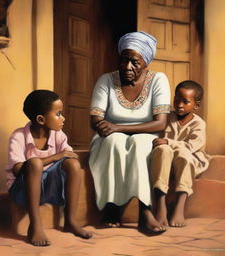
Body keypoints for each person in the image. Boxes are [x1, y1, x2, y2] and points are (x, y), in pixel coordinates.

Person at [89, 31, 171, 235]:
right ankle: (112, 206)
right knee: (114, 142)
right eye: (123, 60)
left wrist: (118, 127)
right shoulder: (106, 80)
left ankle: (145, 210)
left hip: (145, 134)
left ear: (145, 62)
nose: (127, 67)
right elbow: (96, 119)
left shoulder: (158, 80)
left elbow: (160, 124)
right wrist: (107, 127)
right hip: (109, 137)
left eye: (134, 62)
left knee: (140, 144)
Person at [5, 90, 92, 246]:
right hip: (23, 190)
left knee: (73, 164)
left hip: (49, 188)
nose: (63, 118)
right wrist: (54, 157)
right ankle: (35, 225)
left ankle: (70, 220)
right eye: (58, 114)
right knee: (34, 163)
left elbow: (71, 156)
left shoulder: (59, 135)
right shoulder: (19, 136)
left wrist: (66, 157)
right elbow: (18, 169)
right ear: (41, 119)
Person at [150, 80, 210, 227]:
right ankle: (161, 204)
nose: (179, 105)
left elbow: (191, 146)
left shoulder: (199, 124)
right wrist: (165, 144)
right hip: (166, 158)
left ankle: (179, 207)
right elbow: (158, 140)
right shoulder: (167, 117)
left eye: (185, 101)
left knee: (184, 155)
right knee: (163, 150)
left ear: (196, 105)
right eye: (176, 99)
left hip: (189, 157)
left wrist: (169, 142)